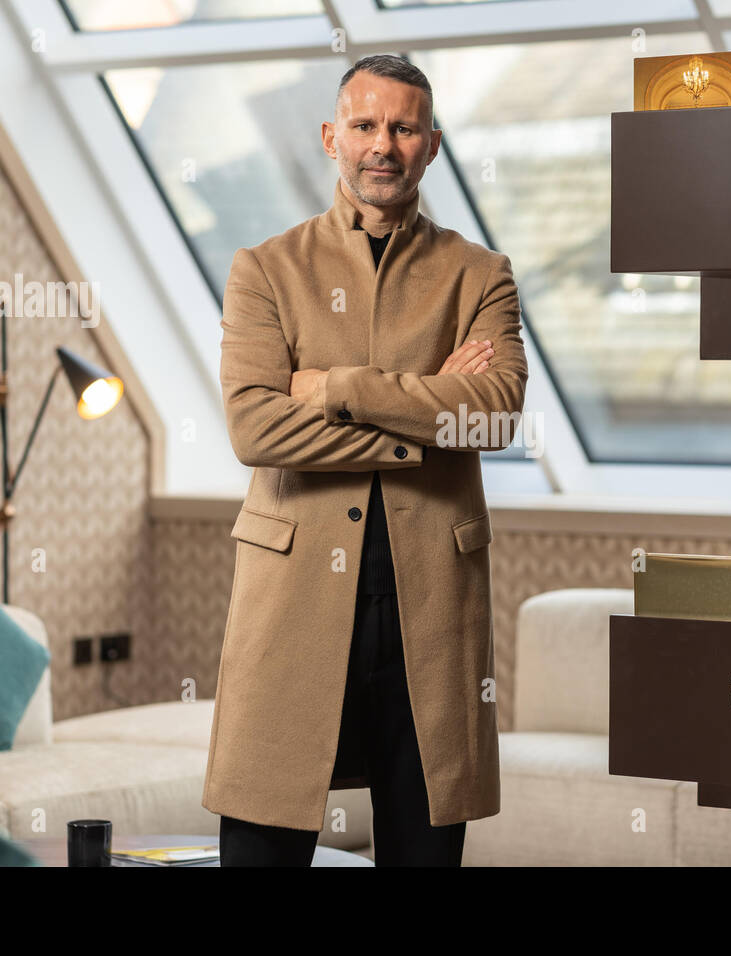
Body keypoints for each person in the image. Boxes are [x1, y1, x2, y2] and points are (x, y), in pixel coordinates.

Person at [203, 53, 528, 866]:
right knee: (260, 849)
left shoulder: (480, 274)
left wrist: (334, 387)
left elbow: (492, 417)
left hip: (432, 610)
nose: (383, 144)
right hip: (292, 602)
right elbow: (255, 429)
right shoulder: (264, 271)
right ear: (330, 137)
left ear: (433, 144)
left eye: (404, 127)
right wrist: (425, 411)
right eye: (365, 125)